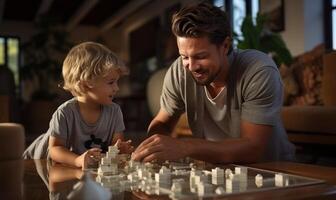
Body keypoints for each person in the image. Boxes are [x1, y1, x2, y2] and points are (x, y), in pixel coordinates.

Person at [132, 2, 295, 163]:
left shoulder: (258, 70)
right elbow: (162, 123)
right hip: (217, 170)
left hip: (271, 170)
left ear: (225, 45)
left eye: (201, 56)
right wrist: (151, 148)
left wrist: (185, 147)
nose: (192, 66)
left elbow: (252, 148)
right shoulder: (179, 71)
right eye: (184, 57)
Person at [24, 42, 133, 169]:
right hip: (39, 159)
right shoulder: (64, 113)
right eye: (111, 82)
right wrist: (77, 160)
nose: (117, 88)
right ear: (86, 83)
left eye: (117, 82)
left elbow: (115, 145)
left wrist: (119, 149)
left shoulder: (115, 111)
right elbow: (54, 149)